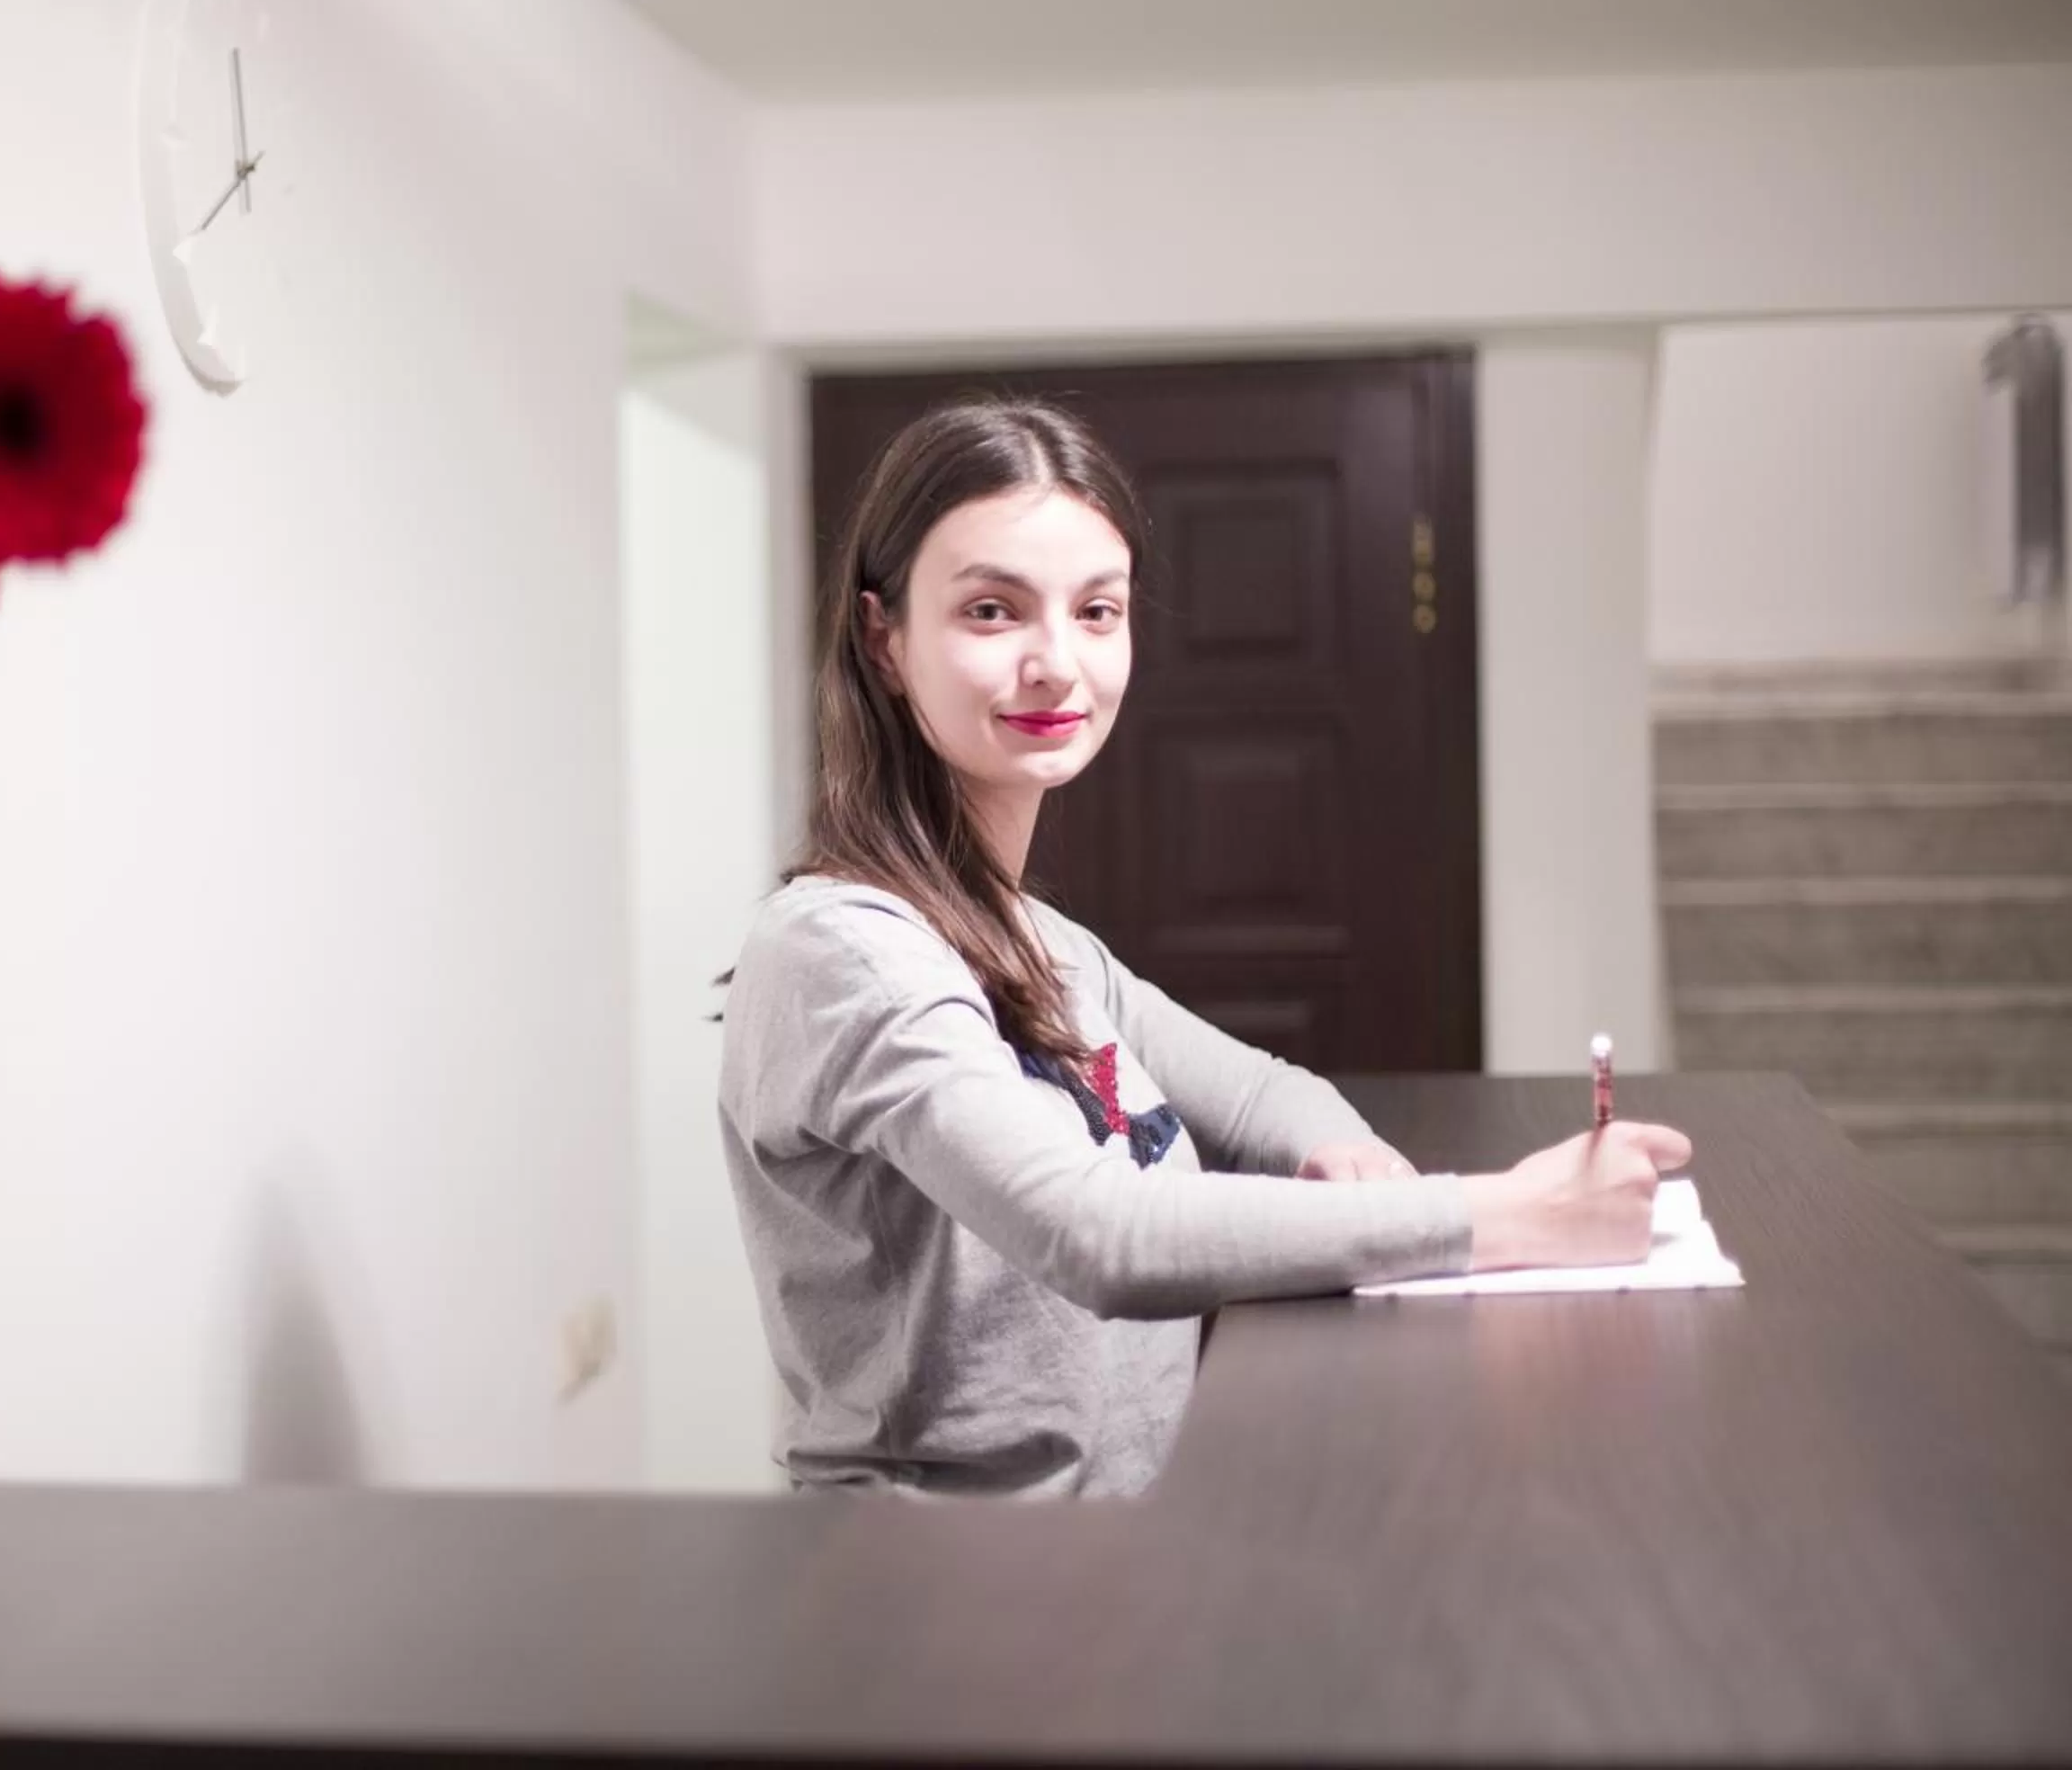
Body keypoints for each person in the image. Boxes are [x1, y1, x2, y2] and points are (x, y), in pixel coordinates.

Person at [716, 396, 1692, 1498]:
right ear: (883, 639)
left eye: (1097, 610)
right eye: (992, 611)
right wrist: (1507, 1216)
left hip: (1119, 1560)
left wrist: (1357, 1173)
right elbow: (1098, 1231)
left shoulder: (1039, 941)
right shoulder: (845, 950)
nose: (1056, 663)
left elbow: (1271, 1094)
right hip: (942, 1596)